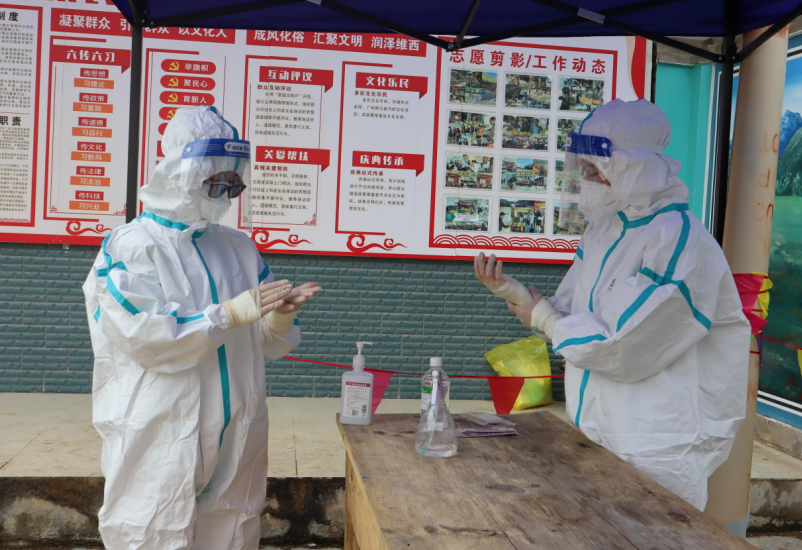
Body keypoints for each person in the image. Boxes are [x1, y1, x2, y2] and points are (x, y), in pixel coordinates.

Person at [474, 99, 750, 511]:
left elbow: (624, 344)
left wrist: (544, 318)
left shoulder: (677, 238)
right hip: (597, 428)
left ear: (637, 166)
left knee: (659, 534)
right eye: (584, 167)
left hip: (656, 442)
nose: (587, 177)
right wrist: (516, 295)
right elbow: (574, 313)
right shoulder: (604, 232)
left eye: (597, 167)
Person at [84, 105, 322, 549]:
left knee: (233, 523)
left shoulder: (238, 247)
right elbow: (143, 336)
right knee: (152, 526)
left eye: (234, 184)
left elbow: (262, 339)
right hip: (163, 424)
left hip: (240, 424)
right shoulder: (134, 246)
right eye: (217, 182)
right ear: (184, 174)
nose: (226, 194)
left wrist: (280, 315)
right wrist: (226, 314)